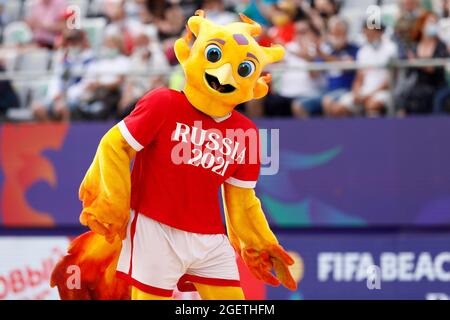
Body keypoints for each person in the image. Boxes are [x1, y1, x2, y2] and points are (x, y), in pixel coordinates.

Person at [51, 11, 296, 300]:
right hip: (154, 229)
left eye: (243, 69)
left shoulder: (246, 133)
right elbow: (114, 145)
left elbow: (242, 201)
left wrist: (262, 243)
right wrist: (113, 205)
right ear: (188, 54)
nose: (226, 74)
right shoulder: (162, 103)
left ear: (254, 84)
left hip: (210, 239)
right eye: (215, 54)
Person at [330, 23, 398, 117]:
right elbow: (359, 78)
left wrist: (370, 95)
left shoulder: (391, 49)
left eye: (371, 34)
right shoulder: (363, 51)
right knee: (338, 109)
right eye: (366, 34)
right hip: (364, 92)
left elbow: (390, 79)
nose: (368, 37)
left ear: (379, 32)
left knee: (372, 104)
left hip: (384, 92)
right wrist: (356, 93)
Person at [264, 17, 324, 117]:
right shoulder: (289, 47)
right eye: (297, 32)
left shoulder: (319, 49)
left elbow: (314, 74)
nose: (300, 35)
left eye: (303, 31)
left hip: (308, 94)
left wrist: (289, 49)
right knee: (257, 100)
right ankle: (256, 130)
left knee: (298, 105)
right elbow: (274, 67)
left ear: (311, 32)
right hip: (285, 94)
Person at [32, 29, 95, 121]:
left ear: (82, 42)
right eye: (70, 42)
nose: (72, 45)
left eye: (75, 42)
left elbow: (87, 84)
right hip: (59, 96)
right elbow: (56, 78)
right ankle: (52, 133)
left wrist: (66, 95)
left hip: (77, 98)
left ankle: (67, 134)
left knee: (62, 108)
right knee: (37, 108)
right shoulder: (63, 59)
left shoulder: (90, 60)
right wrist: (55, 95)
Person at [396, 12, 449, 115]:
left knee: (435, 98)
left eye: (435, 22)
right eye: (430, 22)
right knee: (405, 99)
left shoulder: (441, 46)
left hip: (437, 85)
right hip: (418, 86)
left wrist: (416, 61)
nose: (433, 25)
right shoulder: (414, 46)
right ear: (421, 25)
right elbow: (409, 70)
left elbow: (433, 69)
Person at [76, 32, 130, 120]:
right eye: (107, 44)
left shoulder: (123, 61)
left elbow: (119, 82)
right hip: (98, 93)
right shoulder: (102, 62)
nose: (109, 47)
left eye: (112, 44)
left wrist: (100, 84)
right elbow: (94, 78)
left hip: (114, 95)